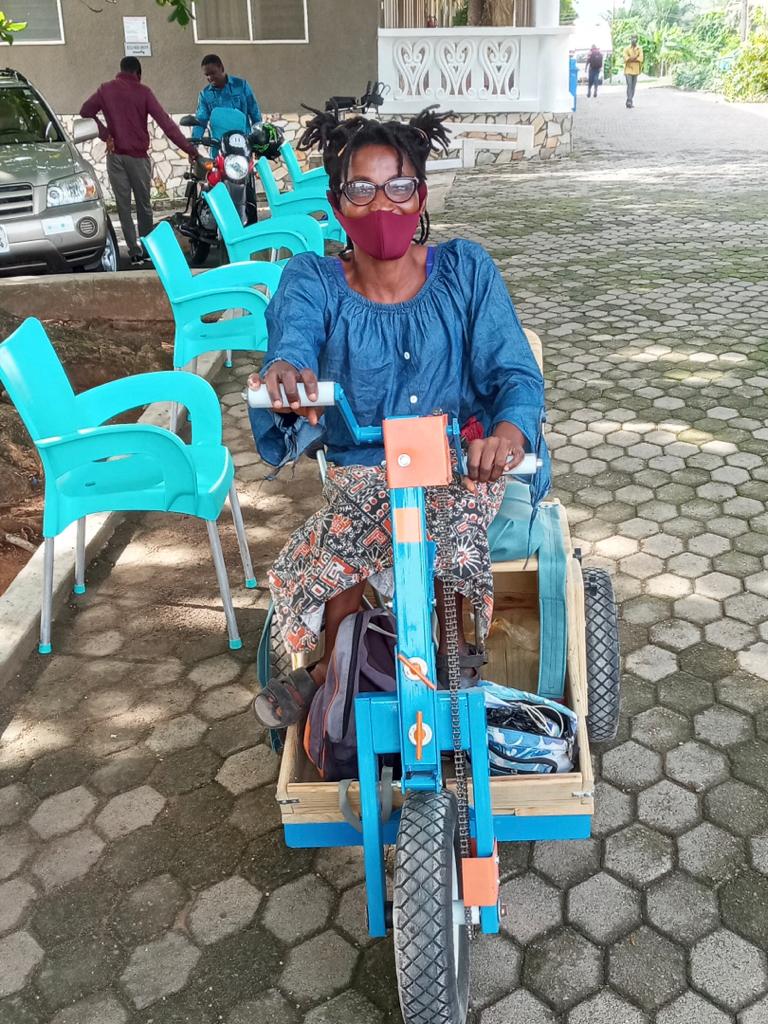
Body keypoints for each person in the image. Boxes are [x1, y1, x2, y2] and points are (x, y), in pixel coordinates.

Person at [249, 107, 550, 728]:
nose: (381, 203)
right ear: (336, 204)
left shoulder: (467, 272)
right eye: (361, 189)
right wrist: (286, 371)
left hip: (458, 468)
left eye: (398, 186)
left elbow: (514, 373)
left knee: (444, 548)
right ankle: (339, 680)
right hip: (362, 474)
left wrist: (506, 437)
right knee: (343, 561)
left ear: (421, 195)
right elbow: (294, 337)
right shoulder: (313, 280)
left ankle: (413, 673)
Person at [80, 57, 198, 266]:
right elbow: (166, 124)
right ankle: (147, 248)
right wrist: (189, 149)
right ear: (138, 73)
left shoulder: (105, 90)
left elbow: (85, 111)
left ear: (121, 70)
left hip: (115, 156)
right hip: (138, 158)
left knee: (123, 205)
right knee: (144, 205)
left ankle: (133, 252)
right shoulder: (143, 92)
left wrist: (106, 134)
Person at [193, 54, 261, 140]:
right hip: (218, 145)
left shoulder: (241, 85)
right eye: (207, 75)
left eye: (213, 73)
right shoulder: (205, 95)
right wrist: (194, 143)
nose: (210, 78)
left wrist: (259, 134)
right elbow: (201, 120)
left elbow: (254, 112)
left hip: (243, 142)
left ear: (222, 68)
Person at [623, 35, 644, 108]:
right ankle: (629, 101)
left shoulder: (639, 49)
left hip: (636, 70)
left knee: (633, 87)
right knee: (629, 85)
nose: (633, 40)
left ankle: (629, 101)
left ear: (637, 40)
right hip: (628, 70)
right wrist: (635, 58)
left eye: (635, 39)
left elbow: (641, 59)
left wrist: (631, 58)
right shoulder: (626, 49)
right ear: (630, 40)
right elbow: (626, 58)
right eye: (632, 39)